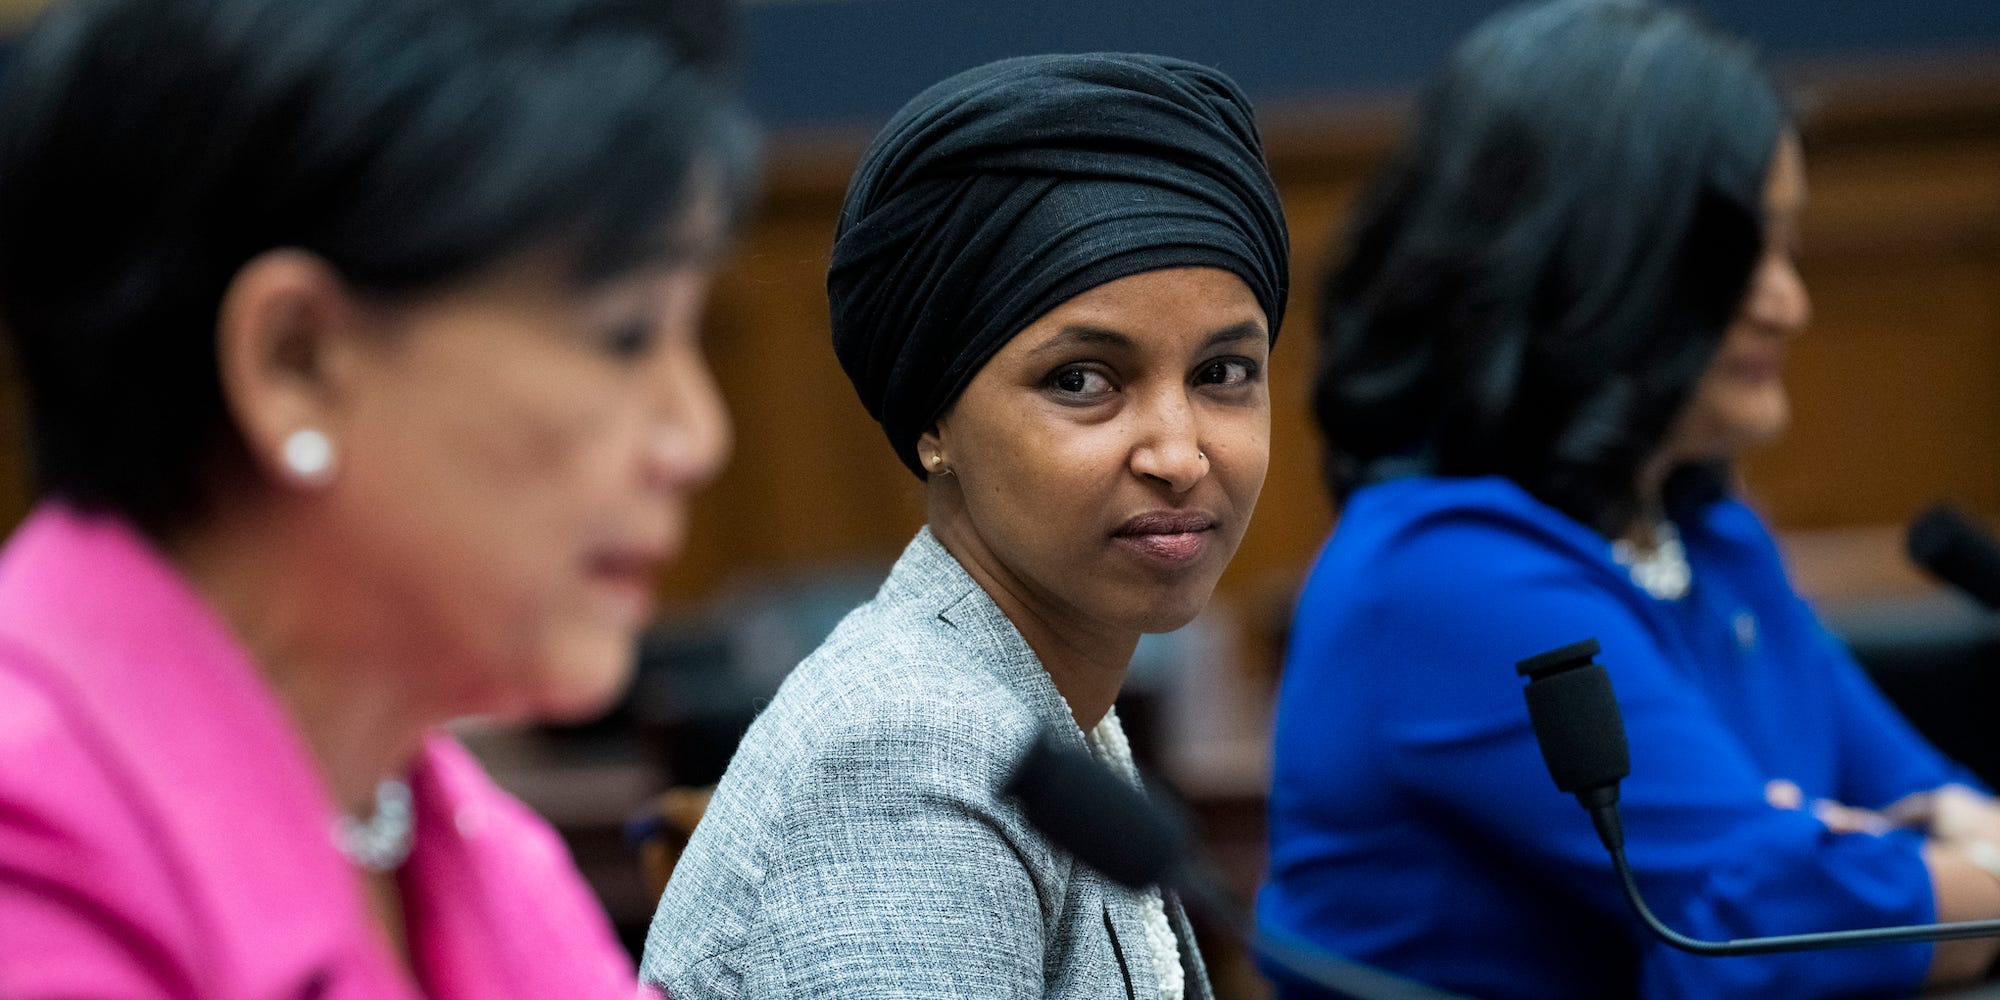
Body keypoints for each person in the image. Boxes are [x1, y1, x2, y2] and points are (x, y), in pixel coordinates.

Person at [0, 0, 753, 997]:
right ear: (297, 363)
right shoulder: (32, 844)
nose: (697, 438)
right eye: (623, 334)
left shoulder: (459, 838)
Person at [1258, 2, 2000, 998]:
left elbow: (1932, 804)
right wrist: (1836, 857)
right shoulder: (1446, 576)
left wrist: (1848, 857)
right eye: (1747, 252)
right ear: (1590, 259)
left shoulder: (1711, 541)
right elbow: (1762, 922)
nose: (1789, 302)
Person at [640, 53, 1289, 1000]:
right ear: (933, 423)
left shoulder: (1035, 699)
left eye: (1223, 374)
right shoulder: (910, 755)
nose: (1180, 454)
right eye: (1082, 382)